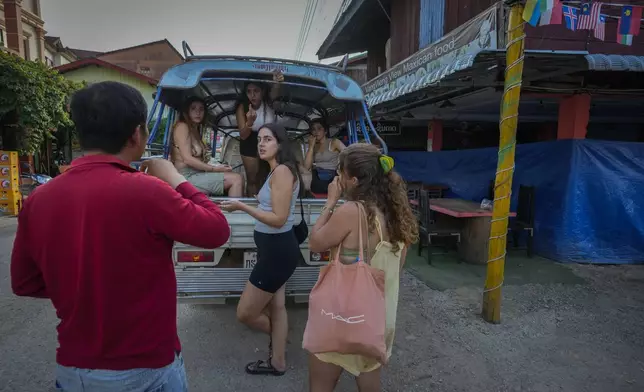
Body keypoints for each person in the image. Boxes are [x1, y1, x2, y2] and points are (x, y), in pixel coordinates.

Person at [11, 81, 232, 391]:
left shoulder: (39, 199)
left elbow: (24, 283)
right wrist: (176, 178)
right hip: (148, 369)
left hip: (76, 371)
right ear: (136, 134)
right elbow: (217, 229)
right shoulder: (149, 191)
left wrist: (83, 287)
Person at [307, 143, 418, 392]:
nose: (337, 178)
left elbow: (315, 243)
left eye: (340, 173)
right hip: (376, 322)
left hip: (342, 320)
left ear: (354, 180)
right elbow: (395, 269)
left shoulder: (352, 211)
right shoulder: (396, 214)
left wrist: (330, 201)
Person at [219, 123, 302, 376]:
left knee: (245, 313)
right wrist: (260, 200)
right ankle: (278, 362)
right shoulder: (276, 171)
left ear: (280, 144)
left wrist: (241, 207)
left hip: (277, 252)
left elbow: (278, 218)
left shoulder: (282, 173)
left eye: (268, 139)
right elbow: (274, 204)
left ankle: (281, 338)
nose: (261, 143)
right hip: (275, 250)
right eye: (259, 140)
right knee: (277, 307)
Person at [172, 96, 244, 197]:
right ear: (187, 111)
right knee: (236, 179)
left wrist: (217, 167)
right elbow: (187, 159)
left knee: (233, 174)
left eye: (201, 109)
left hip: (197, 174)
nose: (198, 112)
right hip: (186, 177)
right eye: (193, 108)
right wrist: (214, 169)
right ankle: (233, 212)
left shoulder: (195, 129)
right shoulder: (182, 126)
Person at [235, 70, 284, 196]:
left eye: (256, 91)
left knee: (268, 176)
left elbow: (276, 91)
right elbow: (243, 135)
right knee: (252, 179)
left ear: (262, 92)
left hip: (268, 139)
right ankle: (251, 206)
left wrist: (277, 82)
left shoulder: (269, 102)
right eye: (249, 92)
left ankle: (267, 205)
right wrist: (249, 122)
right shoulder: (242, 107)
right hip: (249, 141)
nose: (252, 95)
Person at [303, 118, 345, 194]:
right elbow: (306, 167)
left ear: (325, 131)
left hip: (332, 175)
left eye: (319, 129)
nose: (316, 132)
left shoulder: (334, 142)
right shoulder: (313, 147)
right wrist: (311, 147)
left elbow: (348, 154)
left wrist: (341, 168)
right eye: (313, 130)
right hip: (316, 175)